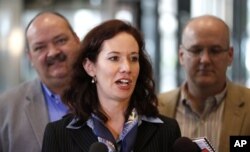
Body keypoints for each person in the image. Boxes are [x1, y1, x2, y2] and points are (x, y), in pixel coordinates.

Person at [42, 19, 181, 152]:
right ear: (90, 67)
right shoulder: (58, 134)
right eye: (114, 58)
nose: (127, 68)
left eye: (134, 58)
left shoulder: (167, 130)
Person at [158, 15, 250, 152]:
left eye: (215, 50)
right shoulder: (155, 108)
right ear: (181, 55)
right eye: (196, 50)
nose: (205, 59)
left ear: (230, 55)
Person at [0, 11, 81, 152]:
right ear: (30, 57)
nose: (53, 52)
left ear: (77, 41)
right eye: (40, 47)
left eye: (61, 40)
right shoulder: (5, 108)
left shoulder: (108, 95)